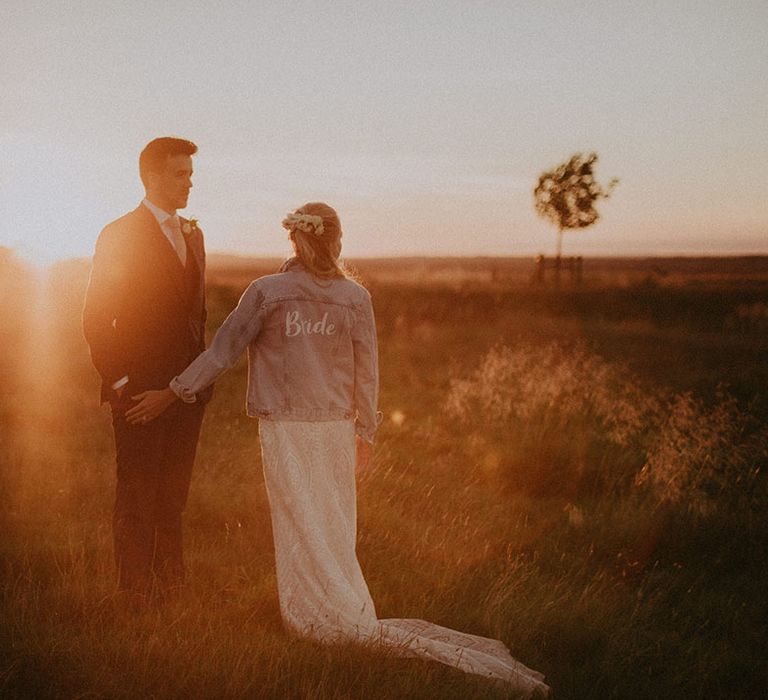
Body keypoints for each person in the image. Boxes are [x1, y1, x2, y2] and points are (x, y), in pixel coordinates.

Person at [128, 203, 550, 696]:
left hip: (287, 429)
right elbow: (367, 373)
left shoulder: (267, 291)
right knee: (330, 523)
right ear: (337, 241)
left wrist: (174, 390)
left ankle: (318, 617)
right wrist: (365, 434)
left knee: (300, 520)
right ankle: (326, 609)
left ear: (296, 242)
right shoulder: (355, 297)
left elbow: (223, 351)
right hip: (335, 431)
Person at [82, 137, 212, 602]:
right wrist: (122, 386)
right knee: (137, 499)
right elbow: (97, 319)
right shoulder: (119, 234)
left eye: (191, 174)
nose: (189, 183)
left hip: (188, 394)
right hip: (137, 395)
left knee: (172, 501)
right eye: (180, 174)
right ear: (151, 177)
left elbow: (195, 318)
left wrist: (194, 384)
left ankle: (172, 591)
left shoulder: (194, 233)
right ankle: (135, 599)